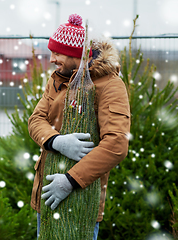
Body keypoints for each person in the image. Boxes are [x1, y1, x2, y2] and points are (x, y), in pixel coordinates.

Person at [28, 13, 131, 239]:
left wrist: (70, 180)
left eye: (57, 53)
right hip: (47, 193)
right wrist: (56, 141)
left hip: (80, 197)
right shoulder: (57, 80)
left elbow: (116, 144)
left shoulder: (110, 85)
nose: (52, 59)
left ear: (76, 53)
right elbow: (36, 120)